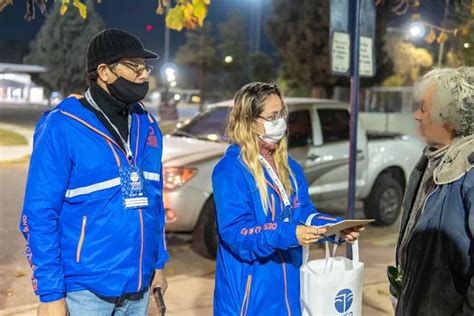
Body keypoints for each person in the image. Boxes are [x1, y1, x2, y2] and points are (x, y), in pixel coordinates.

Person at [20, 29, 169, 316]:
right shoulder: (62, 125)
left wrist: (158, 265)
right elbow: (39, 214)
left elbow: (155, 203)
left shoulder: (148, 125)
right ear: (104, 71)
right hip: (84, 293)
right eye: (134, 66)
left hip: (139, 286)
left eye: (145, 67)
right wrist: (50, 295)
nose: (143, 75)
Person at [212, 82, 364, 315]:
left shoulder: (288, 165)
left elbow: (304, 213)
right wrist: (290, 233)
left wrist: (334, 229)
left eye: (282, 113)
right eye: (273, 116)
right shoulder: (230, 170)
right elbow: (236, 233)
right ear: (249, 120)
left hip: (290, 291)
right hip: (249, 296)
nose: (280, 121)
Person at [392, 67, 474, 315]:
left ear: (448, 117)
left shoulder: (468, 173)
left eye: (424, 107)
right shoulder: (433, 160)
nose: (416, 115)